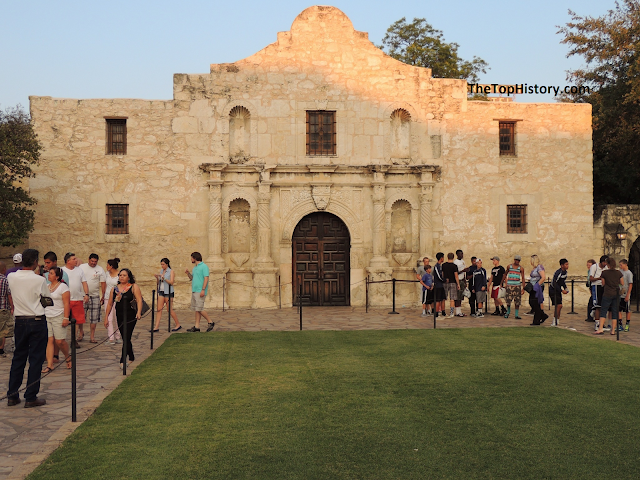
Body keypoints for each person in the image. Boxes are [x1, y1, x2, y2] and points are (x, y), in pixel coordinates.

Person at [6, 249, 50, 407]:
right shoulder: (39, 280)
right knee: (36, 359)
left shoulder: (12, 276)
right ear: (35, 262)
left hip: (20, 320)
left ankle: (12, 394)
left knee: (18, 357)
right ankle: (31, 396)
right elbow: (47, 299)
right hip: (36, 319)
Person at [105, 268, 142, 364]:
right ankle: (131, 356)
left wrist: (139, 312)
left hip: (130, 315)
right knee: (125, 337)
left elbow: (139, 300)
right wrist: (106, 318)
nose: (122, 277)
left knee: (126, 336)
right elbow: (109, 304)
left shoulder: (133, 287)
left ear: (129, 277)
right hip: (120, 314)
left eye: (124, 275)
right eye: (120, 275)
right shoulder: (115, 289)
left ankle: (122, 360)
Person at [42, 268, 71, 373]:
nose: (48, 275)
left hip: (59, 315)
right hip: (47, 315)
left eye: (51, 273)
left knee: (59, 341)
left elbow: (67, 303)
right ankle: (50, 365)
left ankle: (68, 357)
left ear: (57, 276)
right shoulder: (47, 286)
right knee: (49, 340)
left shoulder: (63, 287)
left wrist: (66, 318)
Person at [61, 253, 89, 343]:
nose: (76, 260)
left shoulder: (79, 270)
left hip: (77, 299)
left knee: (77, 320)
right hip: (65, 300)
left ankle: (74, 339)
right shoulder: (62, 270)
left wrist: (86, 294)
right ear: (68, 261)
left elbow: (84, 282)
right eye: (74, 259)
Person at [79, 254, 106, 343]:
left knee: (94, 317)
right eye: (92, 261)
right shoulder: (82, 267)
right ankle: (80, 333)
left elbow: (103, 283)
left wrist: (103, 295)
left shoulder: (100, 269)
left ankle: (92, 336)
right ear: (88, 260)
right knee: (81, 316)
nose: (93, 263)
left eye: (95, 261)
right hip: (82, 295)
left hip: (95, 296)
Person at [594, 257, 623, 335]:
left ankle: (600, 328)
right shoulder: (618, 273)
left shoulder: (604, 273)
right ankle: (613, 330)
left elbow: (603, 283)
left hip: (607, 293)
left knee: (603, 311)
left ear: (608, 264)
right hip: (616, 294)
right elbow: (622, 283)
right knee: (614, 312)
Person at [185, 252, 214, 332]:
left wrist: (203, 289)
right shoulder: (195, 268)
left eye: (191, 258)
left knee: (200, 308)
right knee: (197, 309)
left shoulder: (204, 267)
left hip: (200, 290)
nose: (191, 259)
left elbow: (206, 278)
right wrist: (188, 274)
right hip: (194, 290)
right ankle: (197, 327)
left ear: (195, 258)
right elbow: (192, 278)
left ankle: (210, 322)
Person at [153, 258, 181, 331]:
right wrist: (157, 278)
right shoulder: (161, 271)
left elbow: (171, 282)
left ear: (167, 264)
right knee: (159, 309)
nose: (162, 266)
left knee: (169, 310)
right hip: (161, 291)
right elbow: (158, 283)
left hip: (168, 291)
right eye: (161, 264)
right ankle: (156, 327)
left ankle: (178, 324)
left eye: (163, 264)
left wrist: (164, 278)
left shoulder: (171, 271)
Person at [104, 258, 122, 345]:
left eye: (107, 265)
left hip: (116, 298)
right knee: (109, 317)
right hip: (107, 297)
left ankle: (118, 336)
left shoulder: (119, 275)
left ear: (111, 266)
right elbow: (104, 284)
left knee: (116, 318)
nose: (106, 267)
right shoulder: (107, 274)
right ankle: (111, 337)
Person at [502, 255, 525, 319]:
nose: (517, 261)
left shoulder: (521, 268)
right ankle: (508, 312)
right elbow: (505, 274)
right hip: (509, 285)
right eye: (516, 260)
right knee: (508, 300)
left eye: (518, 260)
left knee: (517, 301)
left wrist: (523, 288)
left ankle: (516, 314)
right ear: (514, 260)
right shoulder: (509, 266)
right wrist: (502, 283)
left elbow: (523, 278)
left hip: (517, 286)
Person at [590, 255, 608, 332]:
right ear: (602, 262)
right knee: (598, 305)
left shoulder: (606, 268)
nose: (605, 264)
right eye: (604, 262)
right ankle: (597, 323)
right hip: (596, 286)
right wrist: (599, 278)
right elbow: (591, 278)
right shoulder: (594, 267)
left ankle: (601, 323)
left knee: (603, 305)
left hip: (603, 286)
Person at [0, 261, 14, 358]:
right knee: (3, 329)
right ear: (4, 269)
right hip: (3, 308)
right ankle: (1, 349)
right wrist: (12, 307)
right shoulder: (5, 280)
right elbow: (9, 295)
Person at [442, 253, 460, 317]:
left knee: (444, 298)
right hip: (452, 282)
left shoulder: (443, 265)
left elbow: (443, 274)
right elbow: (456, 276)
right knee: (452, 298)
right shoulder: (454, 266)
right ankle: (451, 312)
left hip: (445, 282)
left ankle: (443, 311)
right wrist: (458, 284)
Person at [619, 259, 634, 331]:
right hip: (620, 293)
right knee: (618, 309)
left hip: (626, 293)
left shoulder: (629, 273)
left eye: (621, 265)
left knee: (627, 310)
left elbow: (630, 284)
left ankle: (627, 324)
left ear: (625, 264)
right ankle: (620, 324)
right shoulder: (620, 272)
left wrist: (628, 295)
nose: (620, 266)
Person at [454, 250, 467, 317]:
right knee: (457, 297)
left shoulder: (463, 261)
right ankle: (457, 311)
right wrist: (462, 271)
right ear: (457, 254)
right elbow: (455, 273)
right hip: (458, 280)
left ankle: (460, 311)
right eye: (460, 254)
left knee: (461, 297)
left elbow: (464, 273)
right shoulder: (455, 262)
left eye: (462, 254)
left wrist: (465, 281)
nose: (462, 255)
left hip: (462, 280)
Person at [432, 253, 446, 317]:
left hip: (441, 285)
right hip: (438, 285)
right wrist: (444, 280)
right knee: (438, 300)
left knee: (443, 299)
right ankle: (436, 312)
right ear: (441, 258)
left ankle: (443, 311)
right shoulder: (436, 266)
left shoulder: (440, 266)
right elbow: (439, 276)